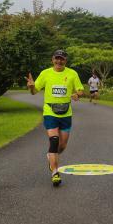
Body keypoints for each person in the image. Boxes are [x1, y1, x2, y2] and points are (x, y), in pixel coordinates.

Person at [26, 49, 83, 186]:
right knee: (54, 140)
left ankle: (50, 156)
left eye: (61, 59)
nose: (59, 61)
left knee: (62, 146)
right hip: (50, 111)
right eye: (56, 58)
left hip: (66, 113)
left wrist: (77, 95)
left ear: (65, 61)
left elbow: (80, 90)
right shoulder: (45, 73)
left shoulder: (72, 73)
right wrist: (31, 87)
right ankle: (55, 172)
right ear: (52, 59)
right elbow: (34, 92)